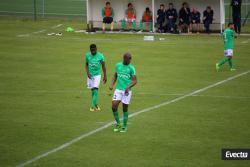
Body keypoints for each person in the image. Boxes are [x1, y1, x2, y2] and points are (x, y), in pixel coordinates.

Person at [109, 53, 137, 133]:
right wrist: (111, 84)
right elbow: (115, 76)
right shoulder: (118, 65)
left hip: (127, 91)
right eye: (129, 59)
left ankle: (124, 126)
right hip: (118, 90)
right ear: (124, 58)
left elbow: (135, 80)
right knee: (114, 106)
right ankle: (118, 124)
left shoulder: (131, 68)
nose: (130, 60)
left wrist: (128, 87)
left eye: (130, 59)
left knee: (125, 108)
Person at [85, 44, 107, 112]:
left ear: (96, 49)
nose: (93, 52)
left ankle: (92, 107)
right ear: (90, 50)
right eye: (92, 50)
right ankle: (96, 105)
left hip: (97, 75)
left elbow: (103, 66)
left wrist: (105, 75)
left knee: (95, 89)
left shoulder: (100, 56)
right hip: (90, 75)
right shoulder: (87, 55)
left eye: (94, 50)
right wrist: (88, 73)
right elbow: (86, 65)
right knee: (93, 91)